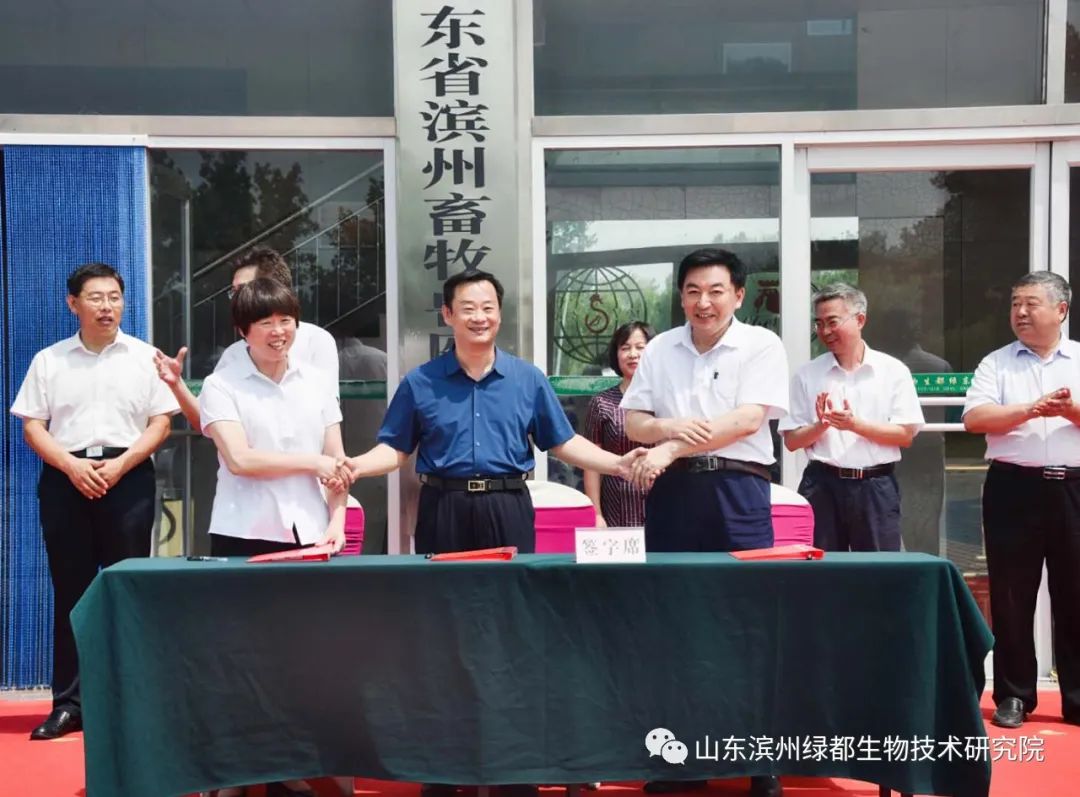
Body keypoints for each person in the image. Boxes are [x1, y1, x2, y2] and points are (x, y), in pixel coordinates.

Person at [622, 248, 787, 797]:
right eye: (692, 291)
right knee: (674, 622)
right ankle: (678, 760)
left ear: (738, 294)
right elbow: (634, 421)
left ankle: (760, 759)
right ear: (681, 296)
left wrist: (670, 447)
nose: (703, 302)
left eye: (716, 291)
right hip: (673, 496)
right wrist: (669, 431)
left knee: (748, 621)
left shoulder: (761, 344)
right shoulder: (661, 348)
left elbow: (747, 419)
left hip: (738, 490)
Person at [10, 262, 179, 740]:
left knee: (127, 590)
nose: (107, 307)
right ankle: (70, 704)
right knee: (73, 593)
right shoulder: (50, 361)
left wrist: (121, 465)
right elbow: (33, 426)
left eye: (114, 297)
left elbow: (161, 423)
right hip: (67, 479)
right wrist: (71, 466)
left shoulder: (145, 357)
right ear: (73, 304)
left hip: (127, 477)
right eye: (96, 298)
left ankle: (129, 702)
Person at [963, 270, 1080, 730]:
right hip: (1013, 487)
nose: (1021, 313)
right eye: (1016, 304)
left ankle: (1076, 696)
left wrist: (1069, 410)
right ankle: (1014, 694)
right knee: (1012, 594)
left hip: (1074, 486)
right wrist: (1031, 409)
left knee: (1075, 592)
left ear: (1061, 310)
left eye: (1031, 303)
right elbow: (976, 418)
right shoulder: (997, 363)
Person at [199, 278, 348, 558]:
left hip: (313, 530)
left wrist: (337, 524)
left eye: (286, 320)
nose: (278, 331)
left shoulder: (317, 382)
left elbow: (336, 462)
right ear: (243, 330)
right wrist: (314, 463)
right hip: (243, 531)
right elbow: (240, 460)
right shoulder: (220, 385)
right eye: (266, 323)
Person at [780, 284, 924, 552]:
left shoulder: (893, 371)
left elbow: (904, 436)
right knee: (821, 568)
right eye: (819, 323)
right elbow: (791, 441)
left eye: (832, 322)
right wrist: (822, 425)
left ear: (860, 320)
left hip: (875, 487)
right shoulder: (807, 374)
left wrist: (854, 425)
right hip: (822, 485)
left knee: (878, 569)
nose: (825, 331)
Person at [154, 245, 339, 433]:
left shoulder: (317, 342)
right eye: (233, 292)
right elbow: (207, 421)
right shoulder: (234, 354)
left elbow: (327, 418)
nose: (236, 299)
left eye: (242, 290)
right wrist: (177, 384)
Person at [872, 307, 952, 555]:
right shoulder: (939, 366)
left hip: (882, 453)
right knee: (924, 531)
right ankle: (924, 575)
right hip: (927, 453)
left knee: (882, 531)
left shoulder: (878, 369)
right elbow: (951, 415)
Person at [583, 321, 655, 527]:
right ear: (616, 355)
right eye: (625, 348)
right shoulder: (601, 403)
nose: (633, 354)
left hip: (662, 501)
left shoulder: (665, 400)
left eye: (640, 347)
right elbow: (591, 464)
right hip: (616, 505)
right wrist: (596, 514)